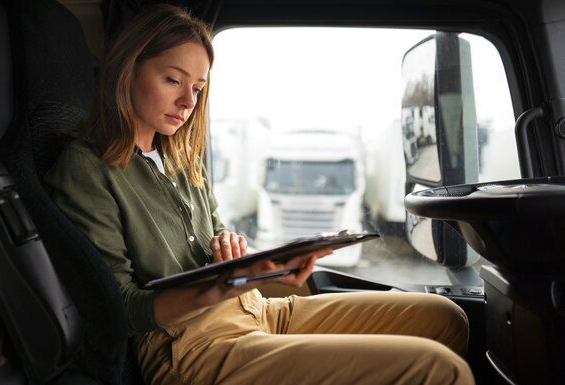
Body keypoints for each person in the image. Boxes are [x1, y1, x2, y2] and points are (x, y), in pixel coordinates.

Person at [44, 4, 475, 385]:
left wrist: (256, 264)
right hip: (191, 346)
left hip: (257, 311)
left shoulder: (178, 158)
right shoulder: (87, 167)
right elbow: (118, 308)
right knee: (440, 369)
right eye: (173, 80)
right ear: (130, 68)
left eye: (197, 88)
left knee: (447, 319)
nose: (187, 101)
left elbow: (215, 245)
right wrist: (225, 283)